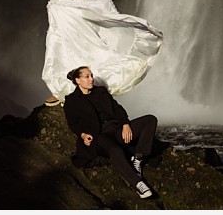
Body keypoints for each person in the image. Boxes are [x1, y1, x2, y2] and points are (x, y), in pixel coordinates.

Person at [21, 0, 163, 106]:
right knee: (55, 53)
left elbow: (82, 2)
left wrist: (91, 17)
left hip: (68, 20)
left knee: (66, 52)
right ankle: (60, 91)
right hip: (55, 19)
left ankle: (66, 91)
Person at [63, 65, 157, 199]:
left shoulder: (101, 91)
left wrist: (125, 124)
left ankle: (138, 158)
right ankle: (138, 184)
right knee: (115, 150)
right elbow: (73, 123)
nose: (91, 79)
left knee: (150, 120)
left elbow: (117, 109)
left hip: (117, 129)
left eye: (91, 76)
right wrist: (83, 135)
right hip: (99, 135)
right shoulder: (72, 101)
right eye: (87, 77)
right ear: (78, 80)